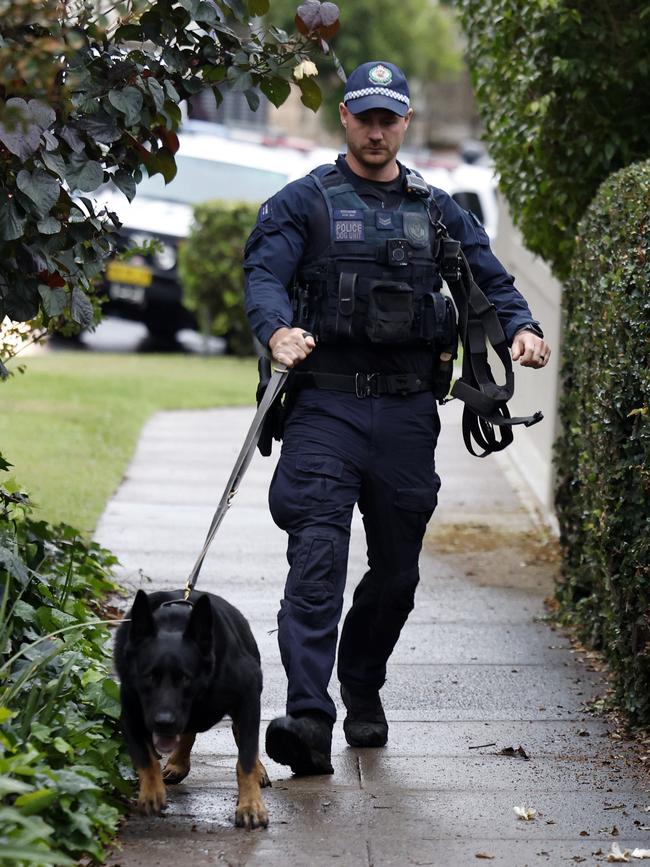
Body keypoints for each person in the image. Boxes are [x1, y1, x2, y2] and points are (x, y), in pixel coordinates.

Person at [243, 61, 551, 776]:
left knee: (398, 574)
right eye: (365, 116)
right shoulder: (306, 202)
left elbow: (490, 279)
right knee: (317, 558)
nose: (376, 130)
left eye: (390, 118)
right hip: (325, 406)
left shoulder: (436, 208)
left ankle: (361, 679)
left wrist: (521, 330)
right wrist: (276, 329)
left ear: (405, 123)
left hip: (409, 412)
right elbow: (264, 274)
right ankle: (309, 717)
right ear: (345, 117)